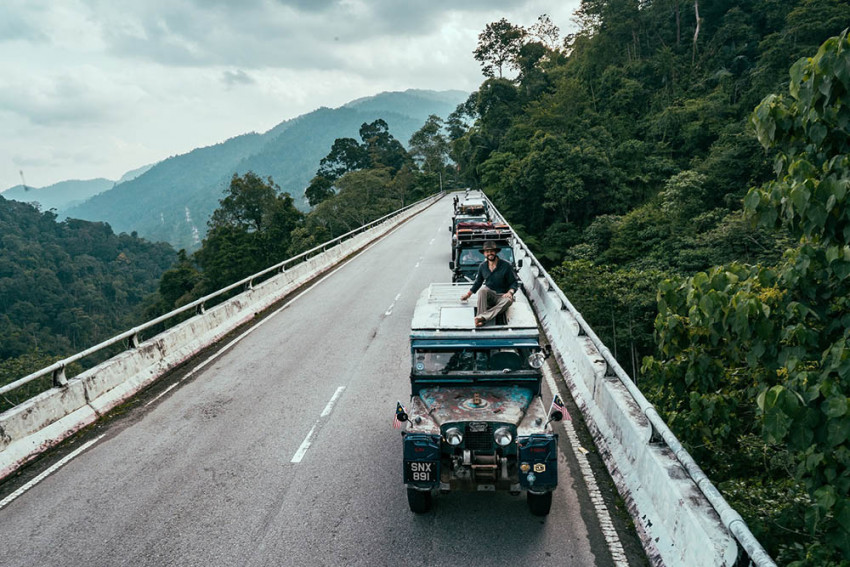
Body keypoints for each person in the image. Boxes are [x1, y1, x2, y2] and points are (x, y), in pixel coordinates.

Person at [460, 241, 518, 327]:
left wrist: (510, 292)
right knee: (483, 290)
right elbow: (478, 282)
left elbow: (514, 282)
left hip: (502, 296)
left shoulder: (506, 265)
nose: (490, 253)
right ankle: (480, 317)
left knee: (508, 301)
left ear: (496, 252)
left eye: (492, 251)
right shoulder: (482, 266)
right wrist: (468, 295)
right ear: (484, 254)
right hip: (489, 295)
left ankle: (481, 318)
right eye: (487, 252)